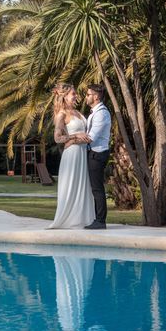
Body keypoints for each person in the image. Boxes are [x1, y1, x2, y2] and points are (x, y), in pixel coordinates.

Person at [48, 83, 95, 229]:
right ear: (64, 96)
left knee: (83, 186)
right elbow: (57, 138)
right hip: (72, 155)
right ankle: (69, 219)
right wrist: (75, 136)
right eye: (73, 94)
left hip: (82, 153)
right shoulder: (61, 114)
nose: (76, 96)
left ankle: (83, 219)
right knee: (71, 186)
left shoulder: (77, 112)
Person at [84, 84, 111, 230]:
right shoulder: (95, 112)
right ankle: (97, 218)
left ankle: (100, 221)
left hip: (97, 154)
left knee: (97, 188)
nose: (86, 97)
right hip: (93, 153)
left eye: (88, 94)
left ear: (96, 96)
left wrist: (70, 138)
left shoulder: (101, 113)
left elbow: (91, 137)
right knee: (95, 187)